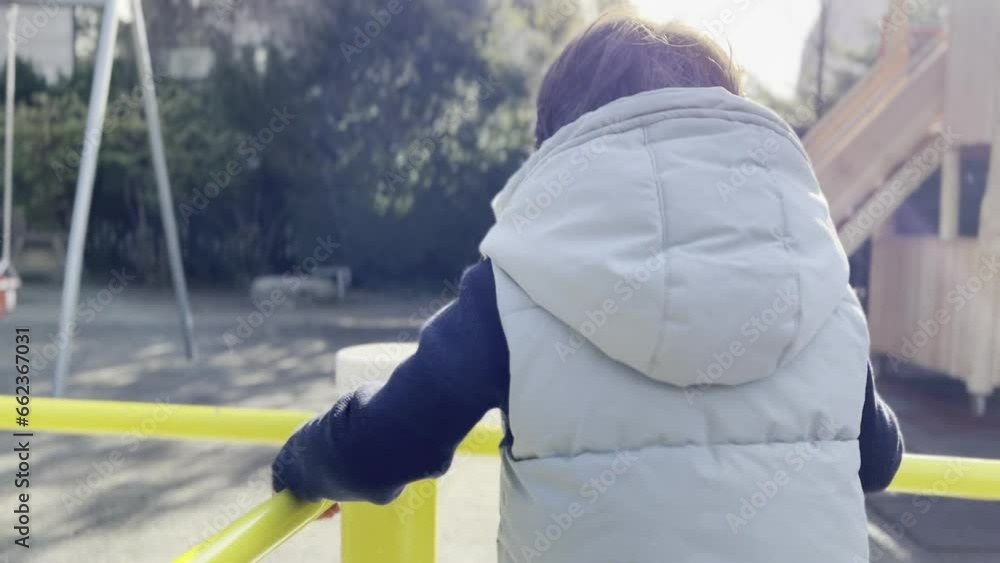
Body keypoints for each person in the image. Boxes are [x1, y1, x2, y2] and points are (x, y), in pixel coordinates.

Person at [272, 11, 904, 563]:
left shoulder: (519, 284)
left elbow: (381, 448)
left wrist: (300, 462)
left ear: (558, 141)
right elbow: (878, 462)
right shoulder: (817, 286)